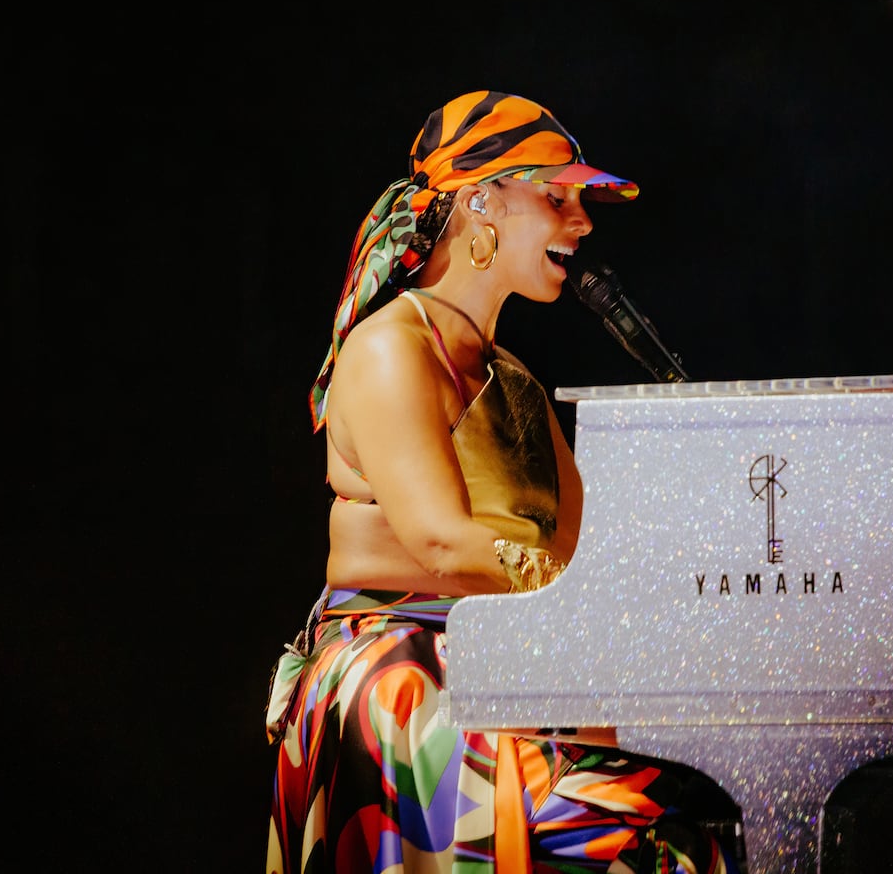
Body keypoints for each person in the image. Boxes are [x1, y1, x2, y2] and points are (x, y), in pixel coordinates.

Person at [265, 90, 732, 874]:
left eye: (580, 200)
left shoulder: (514, 380)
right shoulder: (390, 349)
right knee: (651, 836)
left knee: (705, 815)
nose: (581, 222)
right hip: (402, 679)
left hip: (506, 666)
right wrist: (606, 604)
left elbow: (581, 549)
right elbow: (441, 540)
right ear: (482, 202)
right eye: (558, 197)